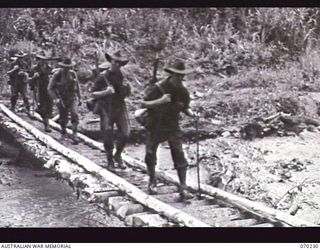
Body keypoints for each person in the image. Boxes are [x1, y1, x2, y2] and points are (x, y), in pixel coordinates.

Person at [140, 59, 197, 201]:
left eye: (182, 76)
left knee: (179, 153)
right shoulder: (158, 88)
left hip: (172, 125)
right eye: (177, 75)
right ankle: (152, 180)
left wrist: (192, 114)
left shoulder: (183, 91)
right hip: (155, 124)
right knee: (150, 153)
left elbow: (185, 107)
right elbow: (143, 103)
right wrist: (160, 101)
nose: (180, 78)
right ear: (171, 74)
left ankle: (183, 187)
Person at [90, 51, 131, 169]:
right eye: (115, 62)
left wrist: (127, 88)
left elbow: (126, 93)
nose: (117, 64)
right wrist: (105, 92)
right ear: (111, 61)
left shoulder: (123, 75)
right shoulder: (103, 76)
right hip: (106, 107)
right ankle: (109, 159)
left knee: (126, 133)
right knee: (108, 133)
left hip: (119, 106)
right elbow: (93, 94)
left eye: (120, 63)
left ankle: (118, 155)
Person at [48, 58, 82, 143]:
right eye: (65, 67)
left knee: (75, 114)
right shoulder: (57, 75)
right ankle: (63, 132)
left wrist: (80, 97)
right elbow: (50, 88)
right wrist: (56, 98)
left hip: (72, 97)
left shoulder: (73, 74)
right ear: (62, 66)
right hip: (61, 98)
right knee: (63, 117)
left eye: (69, 67)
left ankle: (75, 134)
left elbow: (77, 86)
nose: (67, 69)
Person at [29, 52, 53, 132]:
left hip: (49, 90)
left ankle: (42, 114)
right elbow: (29, 80)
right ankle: (47, 125)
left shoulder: (50, 68)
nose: (42, 61)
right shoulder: (34, 69)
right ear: (38, 60)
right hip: (39, 91)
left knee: (49, 108)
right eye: (41, 60)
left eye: (44, 60)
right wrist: (33, 77)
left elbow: (54, 79)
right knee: (43, 108)